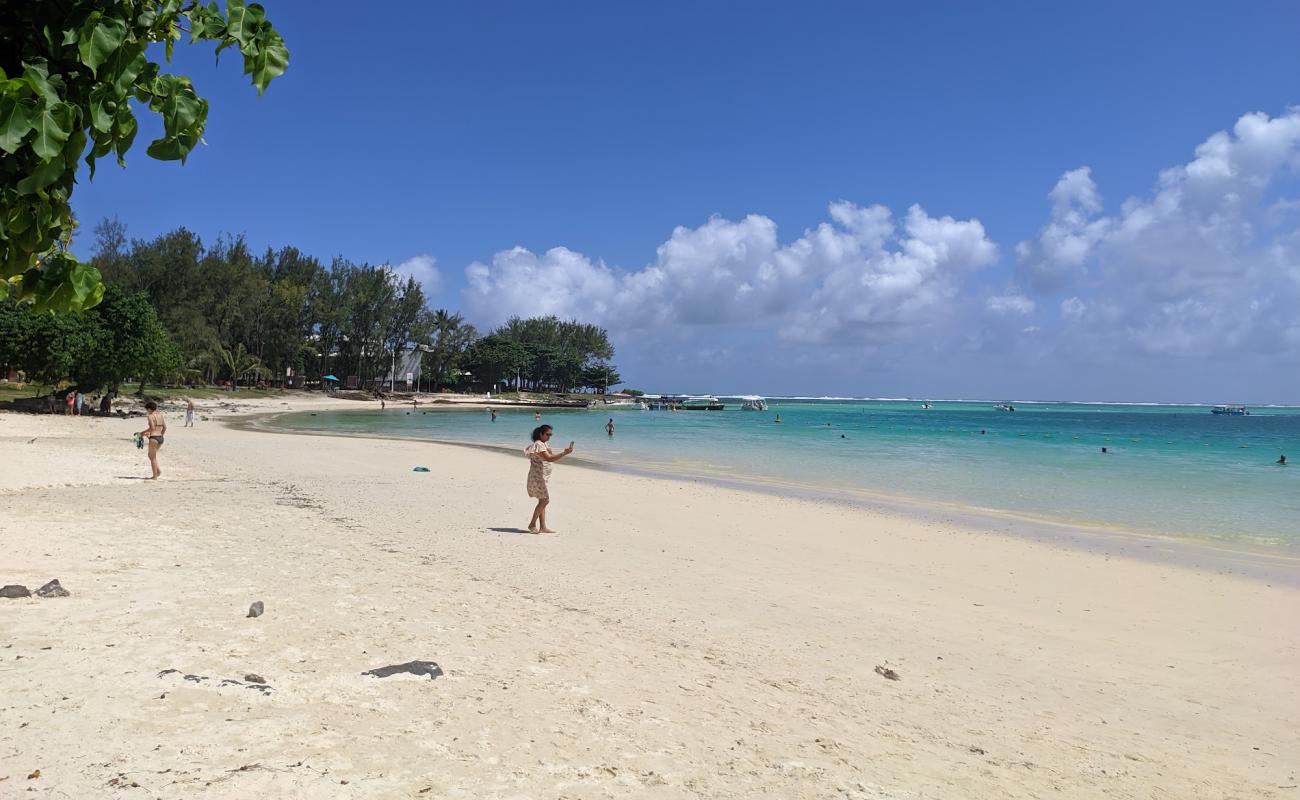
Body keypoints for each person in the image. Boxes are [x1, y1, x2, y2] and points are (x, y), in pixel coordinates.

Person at [524, 424, 573, 533]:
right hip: (538, 477)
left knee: (542, 500)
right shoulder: (539, 444)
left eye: (551, 435)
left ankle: (543, 527)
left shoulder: (543, 443)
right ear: (541, 434)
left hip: (539, 476)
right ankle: (532, 524)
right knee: (545, 500)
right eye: (547, 434)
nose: (549, 437)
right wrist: (565, 453)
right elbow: (549, 458)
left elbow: (549, 457)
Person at [138, 401, 167, 479]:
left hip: (154, 438)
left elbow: (152, 428)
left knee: (152, 457)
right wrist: (160, 435)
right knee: (151, 455)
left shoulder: (150, 416)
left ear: (149, 409)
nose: (147, 411)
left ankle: (155, 476)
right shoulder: (160, 415)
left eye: (147, 410)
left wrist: (142, 433)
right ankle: (158, 471)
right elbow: (164, 428)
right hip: (160, 438)